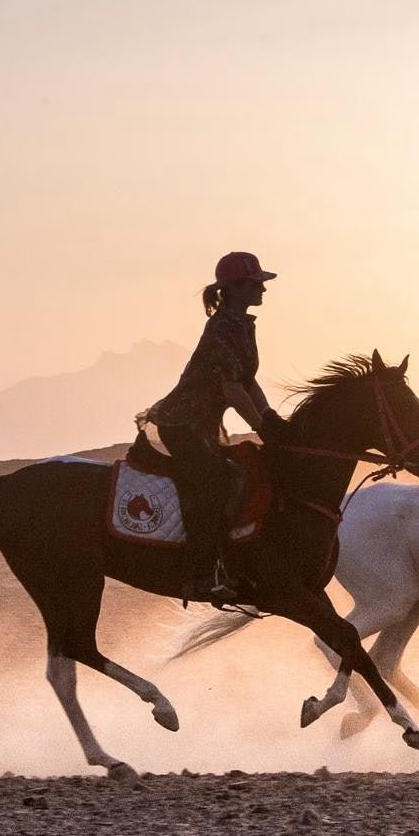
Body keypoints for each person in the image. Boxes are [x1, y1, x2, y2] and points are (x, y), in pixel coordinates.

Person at [138, 252, 288, 602]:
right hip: (182, 424)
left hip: (199, 425)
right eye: (256, 283)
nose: (263, 289)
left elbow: (248, 382)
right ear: (235, 288)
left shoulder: (240, 324)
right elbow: (231, 389)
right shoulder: (223, 326)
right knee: (216, 482)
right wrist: (262, 428)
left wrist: (269, 417)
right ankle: (201, 571)